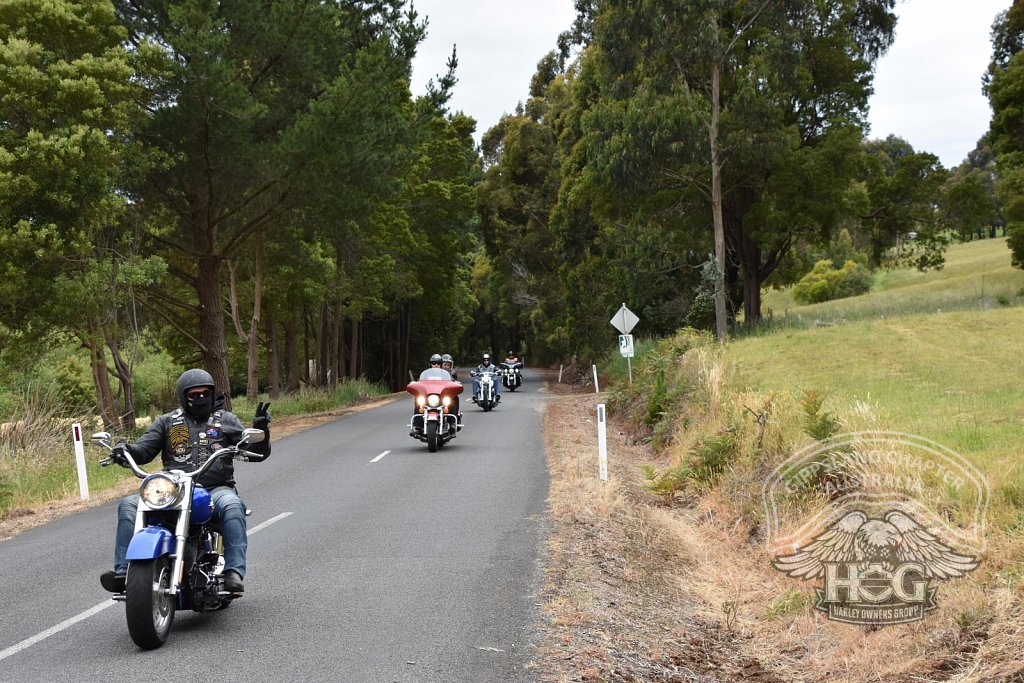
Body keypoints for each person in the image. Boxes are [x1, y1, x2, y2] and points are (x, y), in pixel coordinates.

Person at [100, 368, 271, 595]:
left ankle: (234, 571)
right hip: (173, 490)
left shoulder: (226, 420)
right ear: (183, 397)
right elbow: (143, 450)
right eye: (194, 395)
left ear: (212, 394)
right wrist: (124, 449)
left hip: (215, 489)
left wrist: (261, 431)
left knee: (232, 505)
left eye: (204, 394)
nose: (200, 398)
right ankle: (123, 573)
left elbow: (253, 450)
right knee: (129, 505)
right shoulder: (168, 422)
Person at [440, 353, 462, 426]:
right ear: (441, 364)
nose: (446, 366)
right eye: (444, 364)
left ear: (450, 366)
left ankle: (455, 420)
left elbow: (455, 382)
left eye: (448, 365)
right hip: (436, 395)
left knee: (455, 398)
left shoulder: (452, 373)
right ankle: (420, 424)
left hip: (447, 394)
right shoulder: (435, 372)